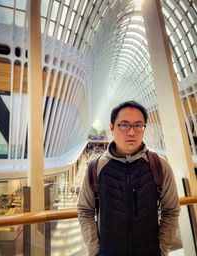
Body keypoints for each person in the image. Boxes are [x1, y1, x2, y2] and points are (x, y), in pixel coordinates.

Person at [77, 101, 180, 256]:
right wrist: (95, 251)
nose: (132, 132)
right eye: (124, 125)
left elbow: (171, 210)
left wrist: (161, 249)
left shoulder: (159, 165)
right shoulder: (95, 167)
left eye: (138, 126)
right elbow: (85, 210)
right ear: (112, 128)